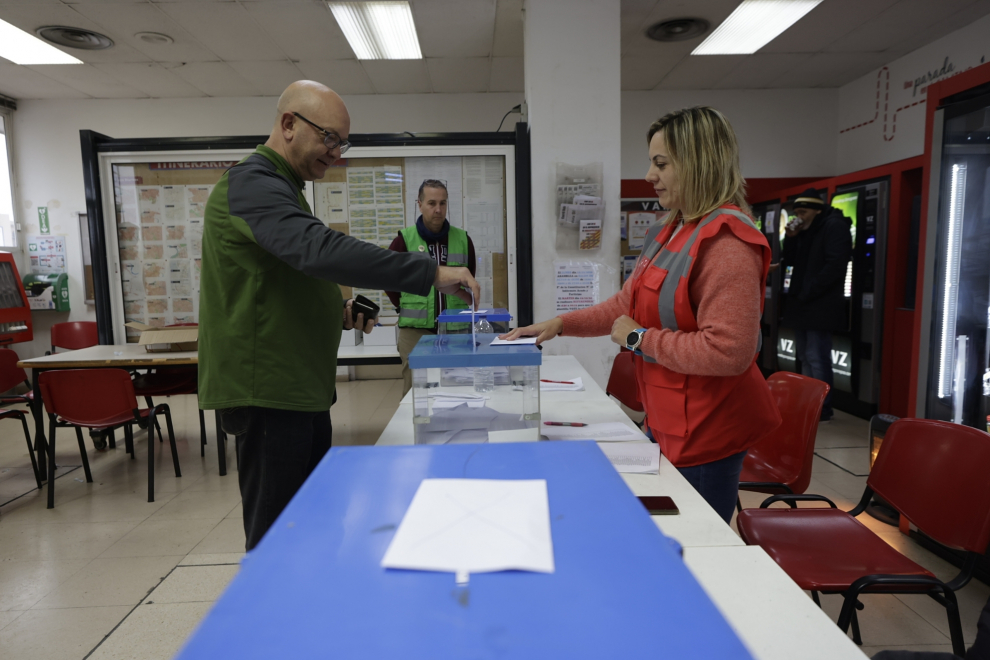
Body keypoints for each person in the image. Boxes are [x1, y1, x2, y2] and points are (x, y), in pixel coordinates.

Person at [198, 80, 479, 551]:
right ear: (288, 124)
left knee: (315, 528)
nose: (336, 152)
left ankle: (311, 617)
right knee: (278, 541)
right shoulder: (251, 184)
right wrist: (430, 273)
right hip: (267, 392)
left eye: (342, 142)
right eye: (329, 138)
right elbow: (317, 251)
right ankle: (278, 624)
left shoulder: (285, 189)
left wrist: (340, 310)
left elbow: (284, 279)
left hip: (299, 390)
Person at [501, 106, 781, 523]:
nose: (650, 175)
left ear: (698, 162)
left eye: (661, 163)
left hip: (707, 434)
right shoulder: (673, 229)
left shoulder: (728, 243)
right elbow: (625, 306)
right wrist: (561, 324)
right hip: (667, 420)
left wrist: (638, 340)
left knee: (693, 547)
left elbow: (729, 351)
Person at [384, 179, 477, 395]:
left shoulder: (462, 239)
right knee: (415, 391)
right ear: (420, 204)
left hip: (456, 329)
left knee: (457, 387)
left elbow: (469, 279)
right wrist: (405, 306)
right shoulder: (404, 241)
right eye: (432, 203)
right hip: (416, 331)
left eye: (443, 203)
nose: (438, 209)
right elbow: (388, 280)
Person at [779, 189, 853, 422]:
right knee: (804, 354)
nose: (798, 215)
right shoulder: (805, 231)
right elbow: (790, 261)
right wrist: (790, 238)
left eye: (803, 211)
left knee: (817, 355)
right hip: (803, 302)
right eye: (796, 211)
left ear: (816, 211)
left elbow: (835, 265)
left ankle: (822, 407)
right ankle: (808, 403)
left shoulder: (833, 227)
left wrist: (809, 290)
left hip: (821, 303)